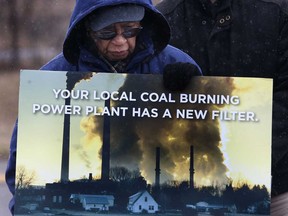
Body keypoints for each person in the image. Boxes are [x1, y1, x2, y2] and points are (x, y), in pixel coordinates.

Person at [5, 0, 201, 214]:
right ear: (88, 29)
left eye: (129, 30)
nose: (119, 41)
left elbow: (202, 138)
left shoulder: (173, 64)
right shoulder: (53, 78)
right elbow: (21, 167)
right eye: (107, 32)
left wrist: (194, 93)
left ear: (141, 25)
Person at [156, 0, 288, 199]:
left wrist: (257, 152)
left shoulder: (277, 11)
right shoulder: (163, 19)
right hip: (185, 186)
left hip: (274, 184)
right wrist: (166, 86)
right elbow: (145, 100)